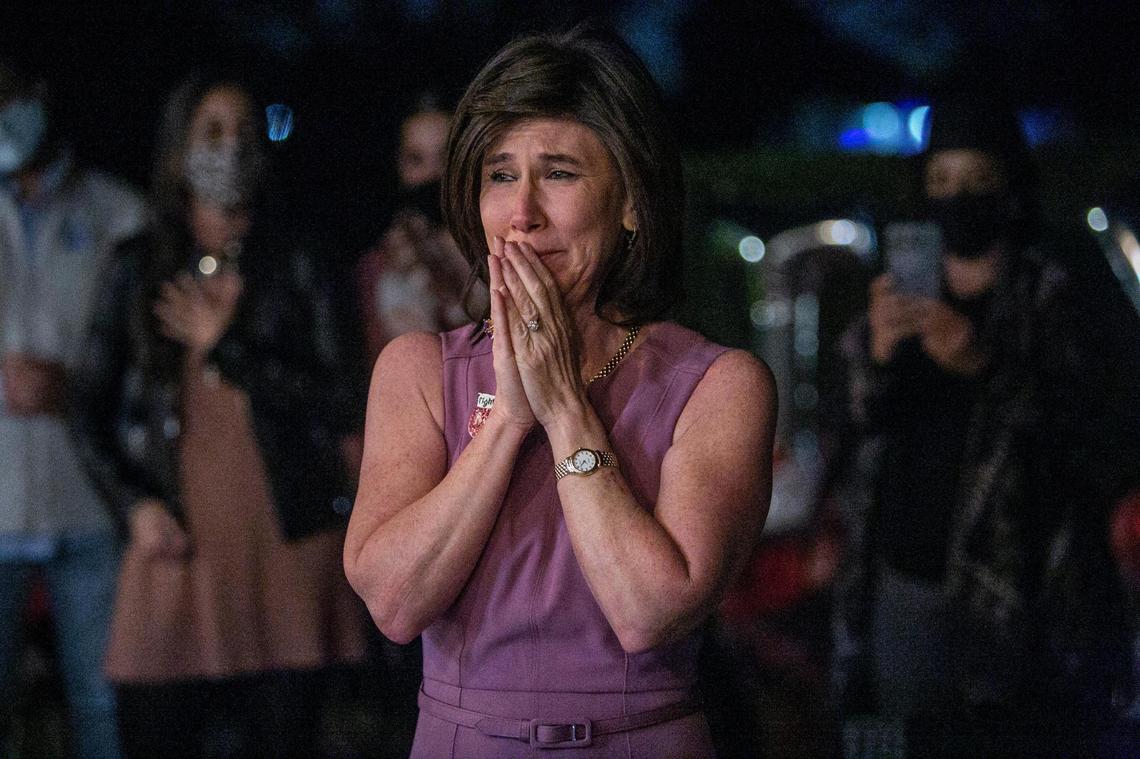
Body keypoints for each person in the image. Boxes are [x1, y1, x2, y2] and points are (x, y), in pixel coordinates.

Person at [344, 26, 777, 757]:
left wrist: (565, 408)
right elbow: (394, 604)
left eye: (560, 174)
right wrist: (509, 420)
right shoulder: (416, 370)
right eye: (500, 175)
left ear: (630, 202)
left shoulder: (718, 385)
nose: (523, 213)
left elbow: (648, 611)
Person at [830, 94, 1140, 756]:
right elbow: (856, 431)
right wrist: (876, 357)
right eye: (942, 179)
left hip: (1021, 596)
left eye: (976, 179)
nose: (958, 197)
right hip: (904, 577)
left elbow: (1090, 434)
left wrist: (983, 366)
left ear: (1009, 187)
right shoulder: (899, 295)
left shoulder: (1053, 295)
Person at [69, 72, 366, 757]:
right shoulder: (136, 265)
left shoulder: (300, 260)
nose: (229, 148)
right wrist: (134, 503)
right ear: (178, 149)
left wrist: (228, 347)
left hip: (289, 548)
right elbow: (87, 410)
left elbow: (343, 398)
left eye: (243, 132)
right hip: (176, 545)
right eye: (210, 131)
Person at [0, 56, 145, 758]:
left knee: (103, 707)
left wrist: (73, 389)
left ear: (37, 95)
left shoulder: (119, 213)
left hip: (91, 505)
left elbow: (150, 363)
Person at [355, 93, 481, 365]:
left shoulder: (502, 251)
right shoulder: (380, 269)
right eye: (416, 160)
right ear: (399, 167)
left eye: (444, 158)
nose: (432, 175)